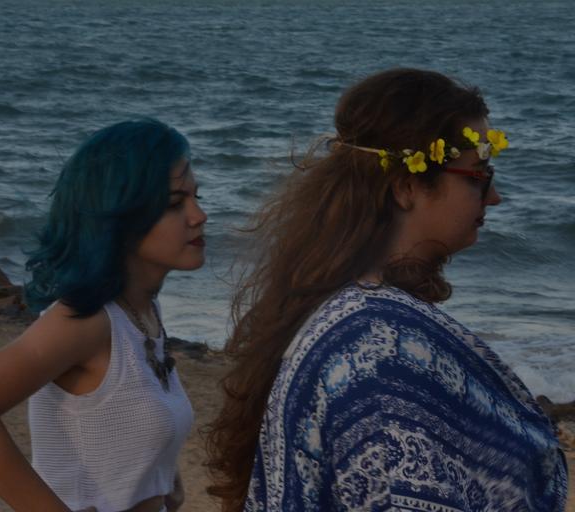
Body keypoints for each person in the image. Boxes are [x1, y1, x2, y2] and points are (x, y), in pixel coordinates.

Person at [205, 69, 566, 511]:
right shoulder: (380, 351)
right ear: (406, 186)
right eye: (477, 176)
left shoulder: (345, 310)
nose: (494, 198)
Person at [0, 119, 207, 512]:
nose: (199, 215)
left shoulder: (143, 312)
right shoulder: (85, 321)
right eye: (174, 204)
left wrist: (161, 480)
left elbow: (121, 421)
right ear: (120, 216)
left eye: (197, 197)